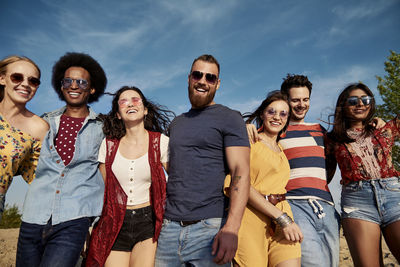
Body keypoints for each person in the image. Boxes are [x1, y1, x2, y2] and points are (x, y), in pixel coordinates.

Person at [155, 54, 250, 266]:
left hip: (210, 229)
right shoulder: (176, 124)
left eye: (210, 77)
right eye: (198, 75)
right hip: (168, 230)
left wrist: (232, 228)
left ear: (218, 83)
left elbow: (240, 171)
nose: (203, 81)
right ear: (189, 78)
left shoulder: (230, 118)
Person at [16, 52, 107, 267]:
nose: (74, 85)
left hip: (74, 219)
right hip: (33, 216)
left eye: (81, 81)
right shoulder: (42, 123)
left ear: (91, 89)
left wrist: (95, 223)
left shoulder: (104, 127)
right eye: (68, 80)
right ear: (61, 86)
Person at [247, 74, 340, 267]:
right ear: (286, 101)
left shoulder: (320, 130)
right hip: (295, 204)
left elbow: (329, 166)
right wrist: (247, 126)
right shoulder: (278, 131)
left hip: (326, 206)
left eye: (305, 100)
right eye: (295, 100)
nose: (301, 104)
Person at [86, 86, 174, 267]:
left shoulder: (160, 142)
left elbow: (179, 179)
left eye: (135, 100)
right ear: (118, 114)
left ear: (145, 109)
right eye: (123, 102)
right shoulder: (108, 145)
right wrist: (89, 225)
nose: (130, 104)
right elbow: (101, 191)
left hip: (148, 222)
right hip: (115, 222)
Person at [326, 83, 400, 267]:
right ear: (343, 105)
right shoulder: (332, 138)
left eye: (365, 100)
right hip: (357, 202)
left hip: (394, 197)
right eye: (353, 101)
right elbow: (325, 174)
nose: (360, 104)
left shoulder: (385, 129)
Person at [226, 91, 303, 267]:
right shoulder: (249, 142)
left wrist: (284, 219)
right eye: (272, 111)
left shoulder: (282, 149)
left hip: (283, 222)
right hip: (252, 218)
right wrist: (281, 218)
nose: (277, 117)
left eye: (283, 113)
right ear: (262, 114)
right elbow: (239, 184)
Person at [0, 55, 49, 221]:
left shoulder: (38, 128)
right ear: (2, 79)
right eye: (17, 77)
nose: (25, 84)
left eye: (33, 81)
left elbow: (43, 179)